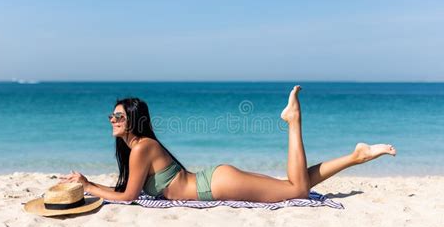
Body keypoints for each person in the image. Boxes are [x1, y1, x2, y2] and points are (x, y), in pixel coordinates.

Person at [59, 85, 396, 202]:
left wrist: (88, 185)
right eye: (112, 116)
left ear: (133, 119)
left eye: (119, 116)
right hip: (215, 179)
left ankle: (294, 121)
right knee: (293, 185)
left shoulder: (143, 147)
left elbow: (129, 197)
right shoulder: (138, 149)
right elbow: (129, 189)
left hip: (216, 185)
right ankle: (355, 156)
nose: (113, 120)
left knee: (296, 191)